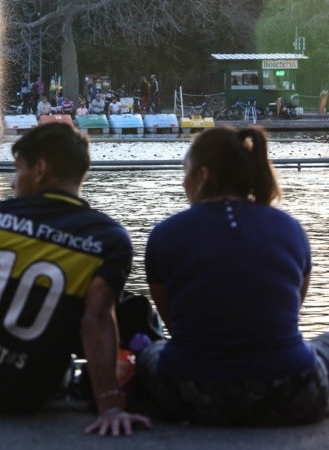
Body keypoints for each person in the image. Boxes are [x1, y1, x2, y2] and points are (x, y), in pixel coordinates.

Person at [0, 123, 153, 436]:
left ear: (40, 169)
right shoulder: (108, 238)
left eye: (17, 169)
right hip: (30, 390)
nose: (12, 181)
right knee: (101, 304)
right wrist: (111, 405)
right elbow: (96, 321)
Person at [139, 125, 329, 425]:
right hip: (293, 391)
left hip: (188, 393)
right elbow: (291, 310)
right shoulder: (291, 229)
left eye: (185, 171)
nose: (183, 181)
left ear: (202, 176)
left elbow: (175, 322)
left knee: (151, 350)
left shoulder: (165, 234)